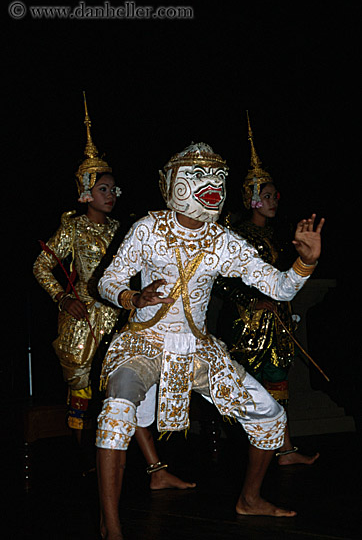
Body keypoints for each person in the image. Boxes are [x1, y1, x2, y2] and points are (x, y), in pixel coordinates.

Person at [94, 141, 324, 539]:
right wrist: (133, 297)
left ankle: (249, 500)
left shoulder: (223, 240)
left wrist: (306, 262)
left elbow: (280, 287)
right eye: (200, 177)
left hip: (197, 350)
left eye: (218, 177)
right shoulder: (148, 228)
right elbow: (108, 282)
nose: (212, 184)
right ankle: (111, 527)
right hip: (144, 344)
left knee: (270, 416)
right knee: (115, 415)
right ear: (175, 183)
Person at [33, 96, 195, 489]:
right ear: (86, 193)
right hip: (83, 321)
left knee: (125, 392)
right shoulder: (72, 229)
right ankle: (88, 462)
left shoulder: (123, 229)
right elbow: (41, 266)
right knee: (84, 396)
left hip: (121, 317)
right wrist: (62, 297)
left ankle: (154, 469)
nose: (112, 194)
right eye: (104, 188)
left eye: (114, 188)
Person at [214, 114, 319, 465]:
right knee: (250, 388)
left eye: (276, 195)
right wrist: (254, 300)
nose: (275, 200)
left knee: (278, 384)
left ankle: (285, 450)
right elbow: (223, 281)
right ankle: (248, 453)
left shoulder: (280, 235)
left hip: (278, 323)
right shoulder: (237, 235)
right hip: (248, 324)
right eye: (268, 195)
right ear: (253, 199)